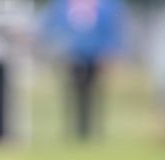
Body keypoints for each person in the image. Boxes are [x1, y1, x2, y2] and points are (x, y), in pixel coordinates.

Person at [40, 0, 126, 140]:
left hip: (95, 55)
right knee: (72, 92)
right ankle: (75, 129)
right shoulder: (62, 6)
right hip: (71, 55)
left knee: (93, 92)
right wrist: (58, 50)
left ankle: (91, 130)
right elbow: (52, 27)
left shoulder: (106, 6)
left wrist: (109, 52)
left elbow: (113, 29)